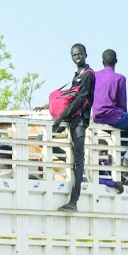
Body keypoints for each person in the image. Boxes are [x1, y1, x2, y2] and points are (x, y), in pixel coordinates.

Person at [52, 44, 95, 212]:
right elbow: (70, 97)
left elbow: (80, 100)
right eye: (74, 54)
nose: (77, 57)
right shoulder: (78, 75)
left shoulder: (87, 76)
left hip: (79, 121)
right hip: (71, 119)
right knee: (44, 139)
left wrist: (61, 116)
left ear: (85, 54)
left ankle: (74, 201)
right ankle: (69, 165)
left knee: (79, 159)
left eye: (79, 54)